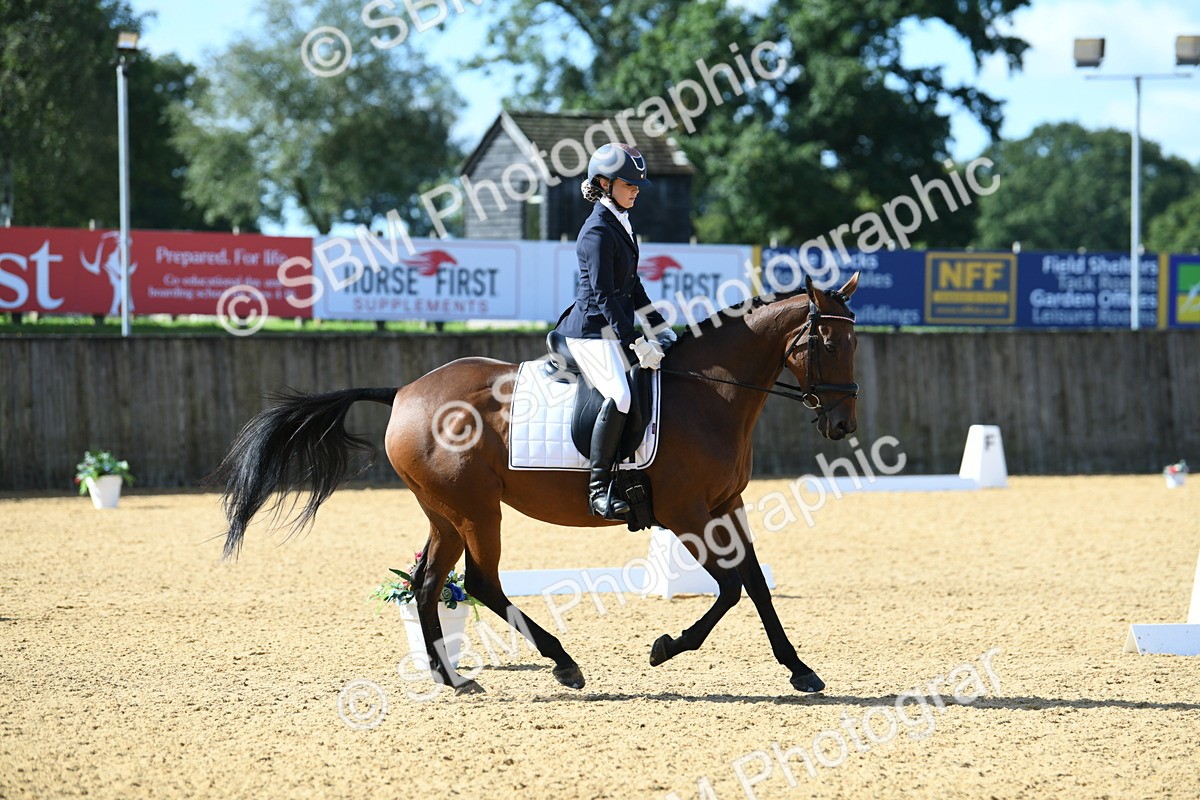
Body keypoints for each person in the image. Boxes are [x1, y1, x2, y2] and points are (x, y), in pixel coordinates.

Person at [553, 143, 677, 518]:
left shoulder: (622, 223)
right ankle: (598, 490)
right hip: (590, 331)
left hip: (611, 326)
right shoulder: (597, 230)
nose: (636, 189)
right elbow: (605, 295)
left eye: (639, 184)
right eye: (629, 184)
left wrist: (659, 328)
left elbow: (633, 286)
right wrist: (635, 341)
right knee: (620, 395)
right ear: (604, 183)